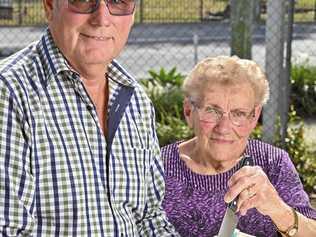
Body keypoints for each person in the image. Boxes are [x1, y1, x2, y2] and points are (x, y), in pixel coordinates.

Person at [0, 0, 178, 236]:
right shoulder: (10, 94)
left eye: (119, 2)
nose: (102, 19)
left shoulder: (136, 101)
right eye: (83, 1)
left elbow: (149, 218)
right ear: (49, 6)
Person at [162, 56, 316, 237]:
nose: (224, 128)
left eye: (239, 113)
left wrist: (278, 209)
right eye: (212, 111)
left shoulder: (273, 163)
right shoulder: (159, 167)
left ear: (254, 116)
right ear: (189, 111)